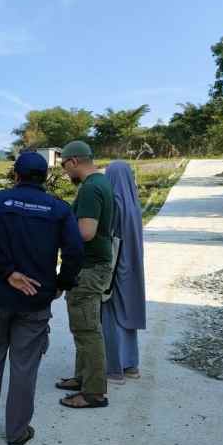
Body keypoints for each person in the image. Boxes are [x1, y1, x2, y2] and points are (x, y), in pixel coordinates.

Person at [0, 152, 84, 445]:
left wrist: (7, 273)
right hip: (35, 300)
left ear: (16, 176)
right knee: (24, 367)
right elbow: (74, 252)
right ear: (44, 178)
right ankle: (17, 432)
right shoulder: (59, 209)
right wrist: (61, 284)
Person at [56, 140, 114, 409]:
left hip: (90, 268)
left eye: (65, 166)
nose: (66, 172)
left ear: (74, 161)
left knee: (87, 329)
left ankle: (93, 393)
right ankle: (82, 377)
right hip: (93, 265)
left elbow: (86, 232)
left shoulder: (90, 189)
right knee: (81, 326)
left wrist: (58, 232)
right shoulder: (100, 183)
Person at [102, 161, 146, 384]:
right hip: (134, 265)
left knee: (111, 316)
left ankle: (114, 369)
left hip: (116, 267)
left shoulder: (114, 202)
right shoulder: (134, 203)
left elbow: (106, 235)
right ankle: (131, 366)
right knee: (128, 315)